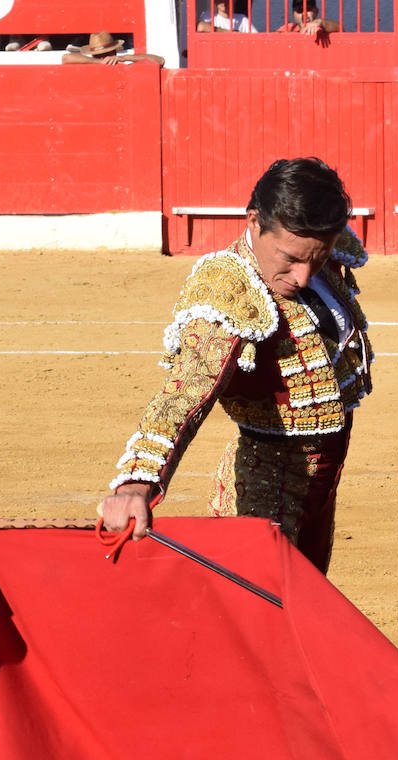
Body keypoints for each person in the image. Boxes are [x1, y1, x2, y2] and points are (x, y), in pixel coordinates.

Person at [98, 158, 373, 574]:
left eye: (315, 261)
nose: (302, 276)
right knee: (258, 602)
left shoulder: (319, 250)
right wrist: (136, 484)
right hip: (265, 491)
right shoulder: (229, 289)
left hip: (323, 484)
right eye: (289, 258)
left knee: (307, 598)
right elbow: (186, 390)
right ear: (254, 221)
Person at [61, 31, 165, 65]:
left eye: (107, 53)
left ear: (114, 52)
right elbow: (65, 58)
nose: (104, 57)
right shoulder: (90, 65)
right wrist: (98, 62)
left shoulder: (123, 65)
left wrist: (125, 58)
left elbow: (160, 61)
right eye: (98, 55)